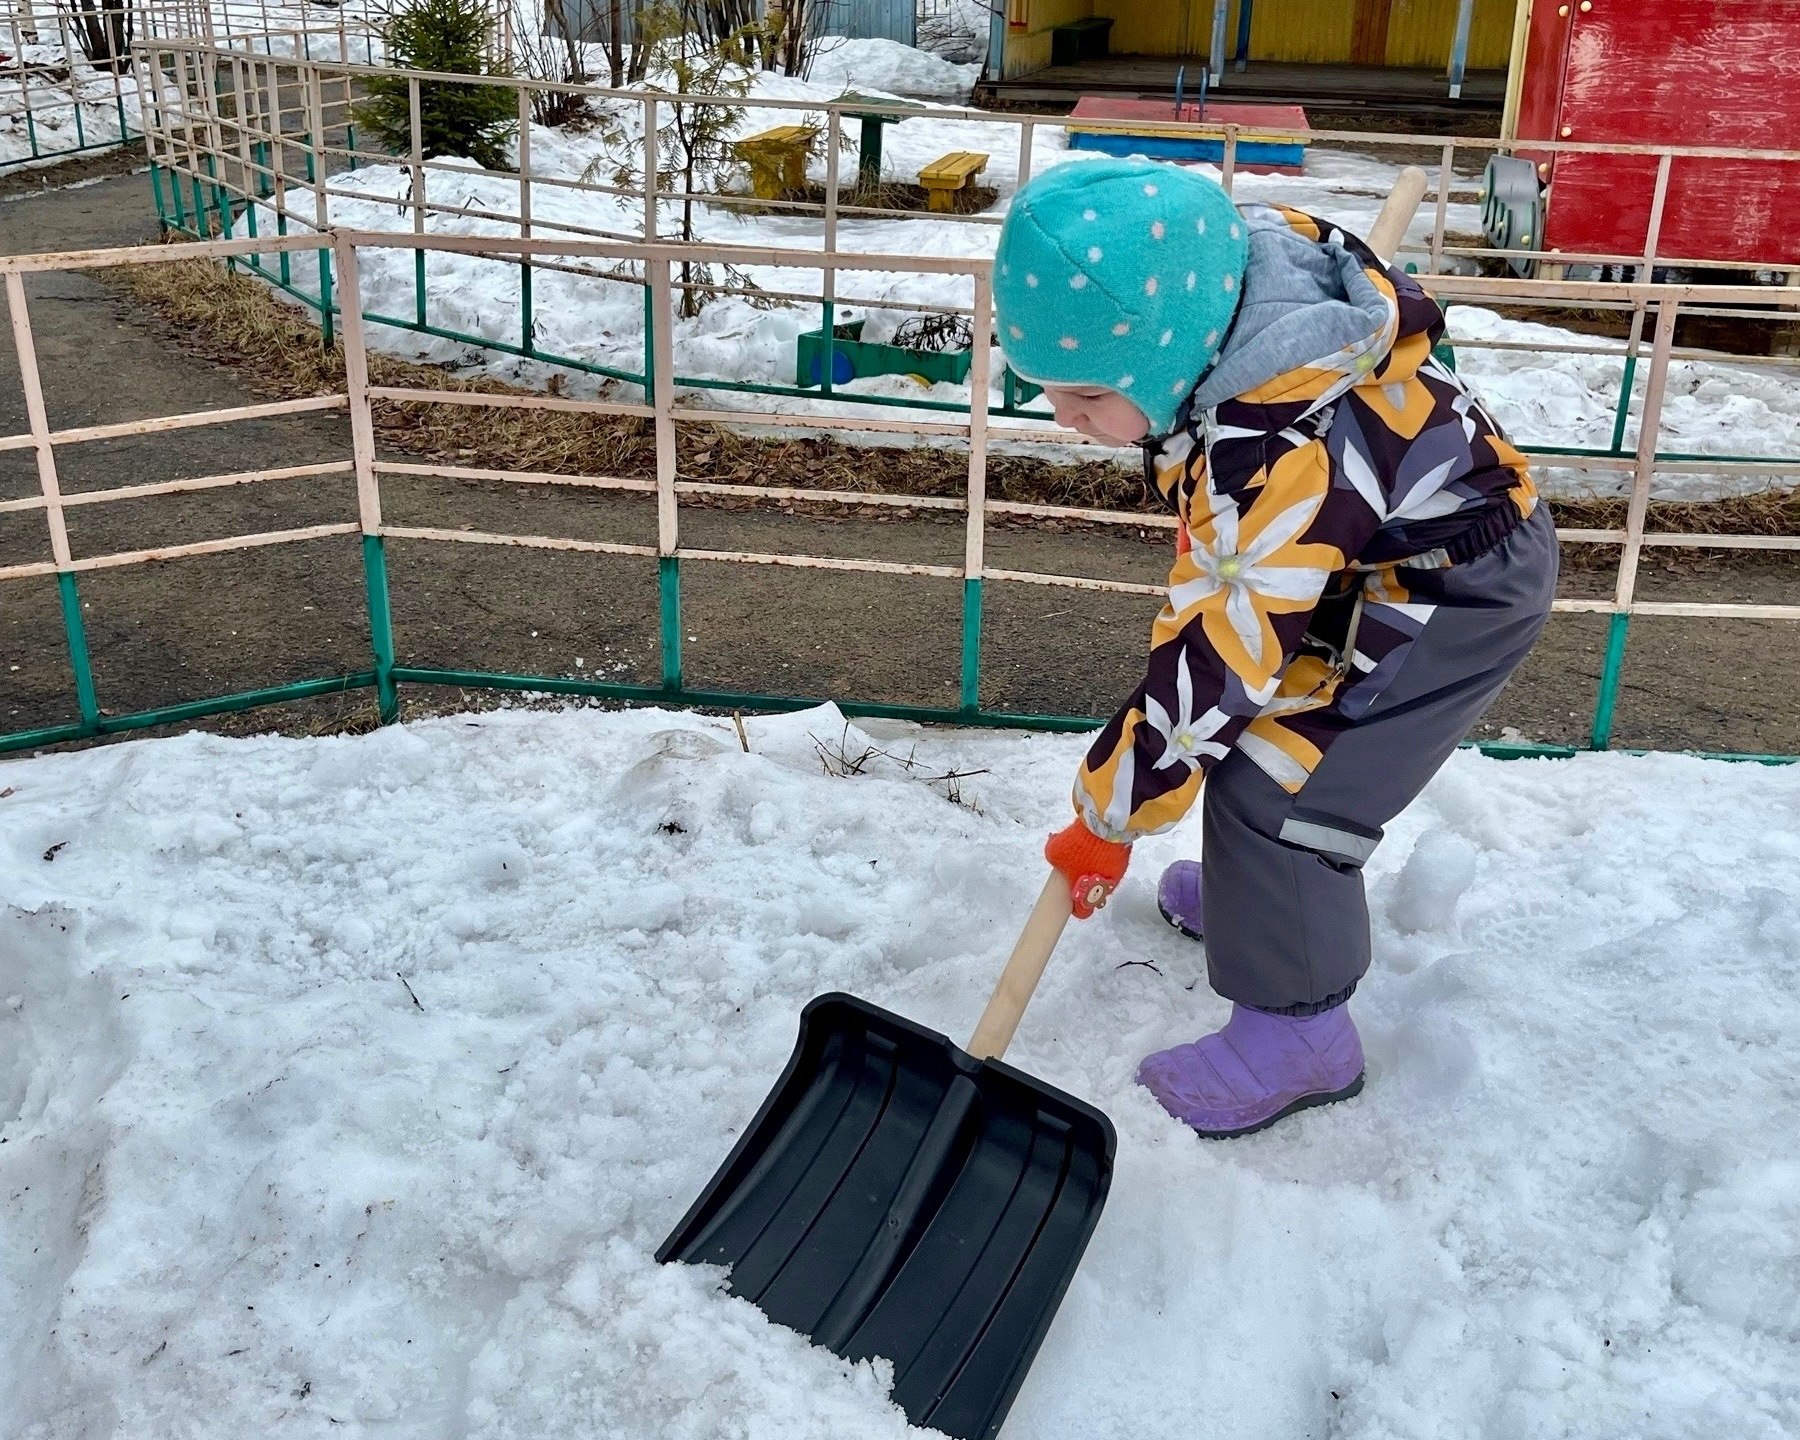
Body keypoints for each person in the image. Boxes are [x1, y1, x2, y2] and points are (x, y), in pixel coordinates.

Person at [993, 157, 1557, 1138]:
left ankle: (1302, 1033)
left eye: (1085, 393)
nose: (1065, 419)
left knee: (1282, 789)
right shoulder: (1224, 283)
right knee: (1255, 732)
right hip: (1364, 549)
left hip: (1455, 590)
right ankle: (1264, 906)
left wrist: (1110, 810)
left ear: (1171, 357)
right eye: (1045, 388)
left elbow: (1221, 651)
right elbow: (1235, 608)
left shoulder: (1274, 449)